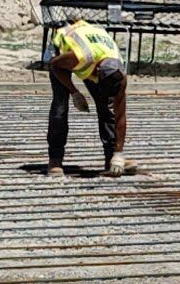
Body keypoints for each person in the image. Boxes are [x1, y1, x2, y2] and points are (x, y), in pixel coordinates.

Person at [43, 19, 135, 177]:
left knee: (106, 108)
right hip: (62, 55)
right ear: (97, 72)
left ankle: (112, 157)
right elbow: (55, 65)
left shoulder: (119, 75)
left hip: (95, 54)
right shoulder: (80, 57)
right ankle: (55, 159)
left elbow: (120, 115)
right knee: (60, 107)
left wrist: (119, 153)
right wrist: (74, 93)